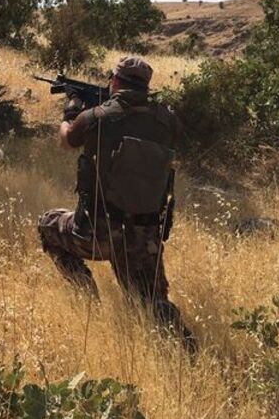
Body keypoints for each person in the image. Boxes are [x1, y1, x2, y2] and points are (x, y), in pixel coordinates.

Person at [38, 55, 196, 352]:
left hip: (98, 233)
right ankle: (186, 351)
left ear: (114, 81)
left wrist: (72, 110)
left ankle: (86, 298)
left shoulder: (96, 117)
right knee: (152, 304)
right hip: (145, 238)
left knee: (48, 224)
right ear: (147, 86)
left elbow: (67, 141)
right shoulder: (169, 121)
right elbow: (142, 124)